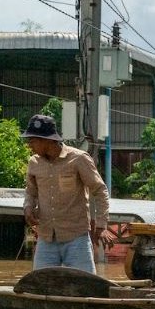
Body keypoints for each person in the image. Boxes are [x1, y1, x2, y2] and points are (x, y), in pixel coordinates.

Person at [22, 113, 112, 272]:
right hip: (46, 237)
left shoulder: (78, 159)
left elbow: (99, 190)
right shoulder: (34, 163)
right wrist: (28, 208)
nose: (30, 145)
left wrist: (102, 225)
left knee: (85, 286)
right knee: (40, 286)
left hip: (76, 238)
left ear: (48, 140)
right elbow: (30, 192)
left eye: (33, 141)